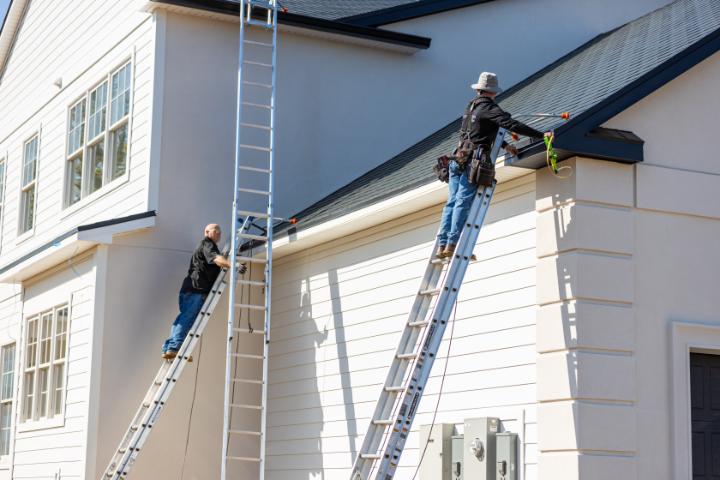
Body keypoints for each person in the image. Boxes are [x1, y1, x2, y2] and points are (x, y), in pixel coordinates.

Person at [437, 72, 550, 258]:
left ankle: (443, 244)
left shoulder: (471, 107)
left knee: (452, 202)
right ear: (493, 92)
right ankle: (453, 244)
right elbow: (509, 123)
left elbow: (480, 132)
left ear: (479, 89)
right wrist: (541, 135)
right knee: (462, 203)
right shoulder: (488, 108)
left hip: (457, 159)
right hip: (471, 161)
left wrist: (506, 146)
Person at [161, 223, 239, 360]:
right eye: (216, 230)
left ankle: (170, 347)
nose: (219, 233)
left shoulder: (207, 245)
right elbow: (217, 259)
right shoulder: (207, 244)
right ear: (207, 231)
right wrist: (234, 265)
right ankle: (174, 347)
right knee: (187, 318)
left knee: (184, 318)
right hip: (196, 290)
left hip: (191, 289)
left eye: (220, 231)